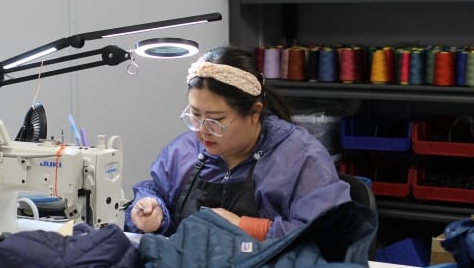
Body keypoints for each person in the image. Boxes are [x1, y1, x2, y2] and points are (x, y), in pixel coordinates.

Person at [124, 45, 350, 241]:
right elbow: (155, 188)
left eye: (217, 120)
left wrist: (245, 226)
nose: (202, 130)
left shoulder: (300, 158)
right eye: (195, 115)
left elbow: (328, 235)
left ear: (254, 113)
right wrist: (152, 210)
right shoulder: (185, 150)